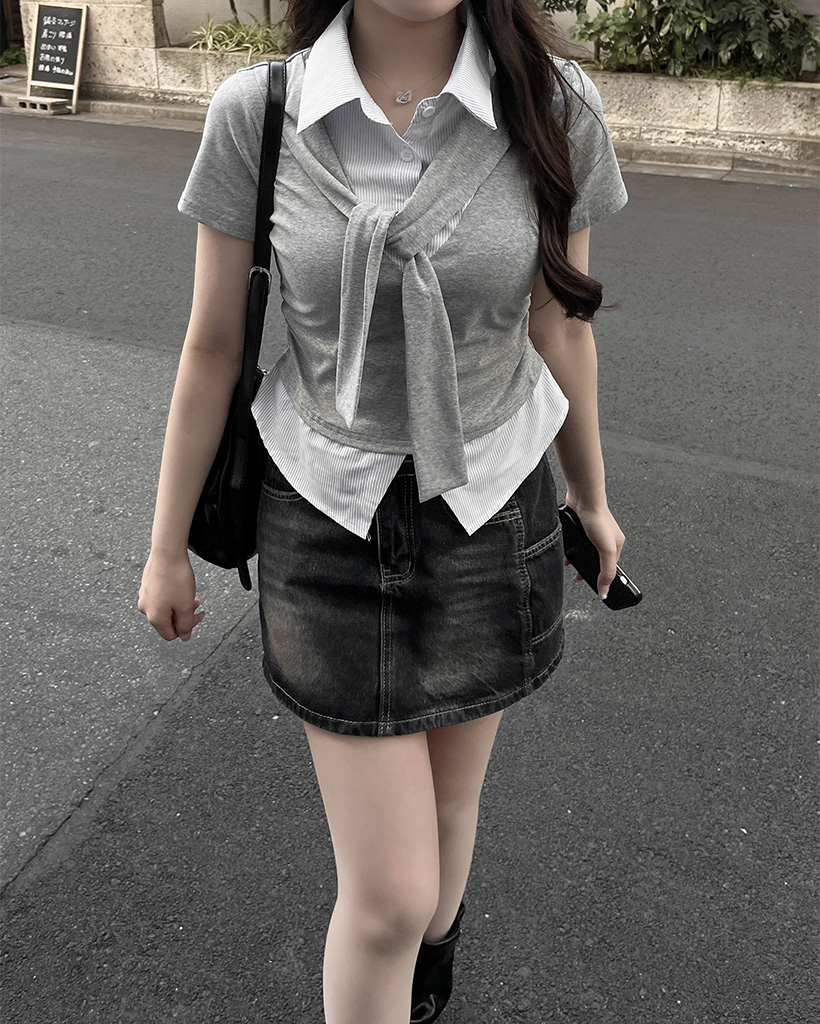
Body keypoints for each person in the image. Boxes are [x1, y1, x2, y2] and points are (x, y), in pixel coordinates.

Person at [138, 0, 628, 1020]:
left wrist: (591, 496)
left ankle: (427, 977)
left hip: (491, 509)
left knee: (449, 816)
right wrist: (165, 545)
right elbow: (214, 345)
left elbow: (561, 325)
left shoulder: (552, 104)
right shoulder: (260, 111)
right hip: (326, 517)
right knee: (391, 893)